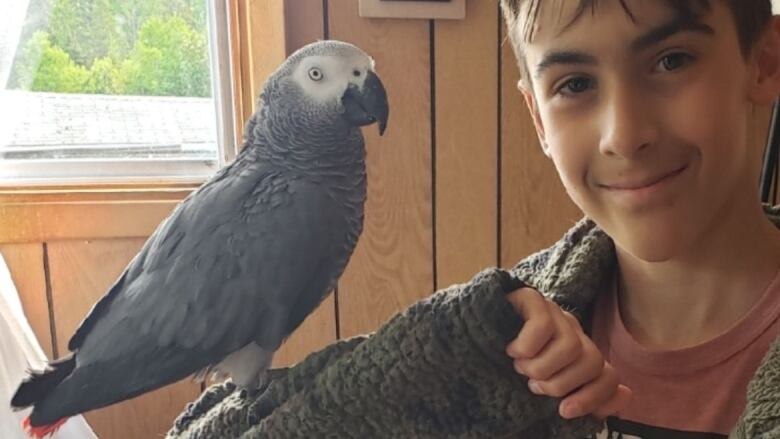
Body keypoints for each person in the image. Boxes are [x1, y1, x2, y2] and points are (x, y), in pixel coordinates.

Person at [499, 0, 780, 436]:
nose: (625, 137)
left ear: (764, 63)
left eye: (671, 61)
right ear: (538, 119)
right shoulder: (504, 340)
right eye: (575, 85)